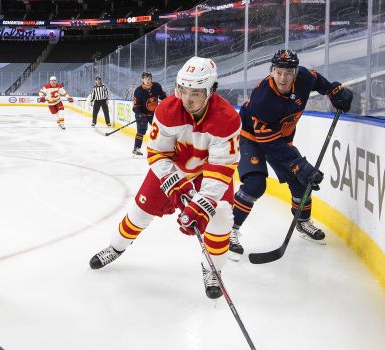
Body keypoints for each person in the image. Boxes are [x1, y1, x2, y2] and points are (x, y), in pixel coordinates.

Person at [89, 57, 241, 299]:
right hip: (172, 168)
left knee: (221, 216)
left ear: (212, 90)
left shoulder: (227, 118)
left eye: (196, 93)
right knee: (140, 211)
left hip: (208, 173)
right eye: (183, 90)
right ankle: (116, 247)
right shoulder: (168, 109)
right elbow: (158, 153)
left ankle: (213, 268)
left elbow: (222, 167)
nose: (187, 99)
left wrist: (203, 203)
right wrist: (175, 183)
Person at [229, 49, 353, 257]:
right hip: (252, 137)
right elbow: (268, 143)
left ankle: (302, 222)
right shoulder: (263, 98)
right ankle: (228, 230)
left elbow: (317, 80)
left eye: (288, 73)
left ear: (295, 73)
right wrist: (300, 165)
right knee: (255, 184)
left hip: (280, 138)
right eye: (278, 72)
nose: (283, 78)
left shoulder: (303, 77)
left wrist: (333, 90)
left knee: (301, 182)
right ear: (272, 71)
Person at [131, 71, 166, 156]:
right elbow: (136, 106)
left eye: (149, 78)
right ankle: (136, 149)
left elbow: (163, 97)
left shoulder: (156, 86)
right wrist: (139, 114)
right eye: (145, 78)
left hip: (154, 113)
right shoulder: (138, 91)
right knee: (141, 131)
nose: (148, 80)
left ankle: (160, 148)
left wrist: (167, 104)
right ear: (142, 79)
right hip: (142, 114)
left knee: (160, 129)